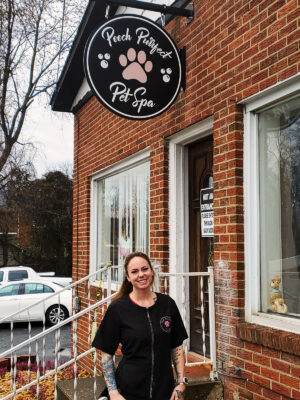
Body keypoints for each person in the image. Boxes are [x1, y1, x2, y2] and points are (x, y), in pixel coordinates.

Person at [92, 251, 188, 400]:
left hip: (164, 391)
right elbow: (106, 354)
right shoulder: (118, 308)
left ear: (151, 271)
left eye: (145, 269)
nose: (141, 275)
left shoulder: (167, 304)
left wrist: (181, 383)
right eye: (134, 272)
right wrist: (113, 392)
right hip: (128, 391)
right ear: (128, 277)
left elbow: (177, 346)